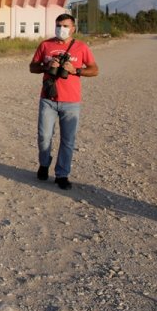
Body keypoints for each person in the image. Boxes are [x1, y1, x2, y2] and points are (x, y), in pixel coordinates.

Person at [29, 14, 99, 190]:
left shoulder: (81, 47)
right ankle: (44, 164)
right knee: (44, 137)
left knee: (68, 140)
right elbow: (32, 67)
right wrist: (47, 66)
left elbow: (94, 70)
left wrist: (75, 70)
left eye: (66, 26)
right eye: (59, 25)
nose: (62, 28)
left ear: (73, 28)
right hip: (48, 99)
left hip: (71, 101)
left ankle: (62, 174)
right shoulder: (45, 45)